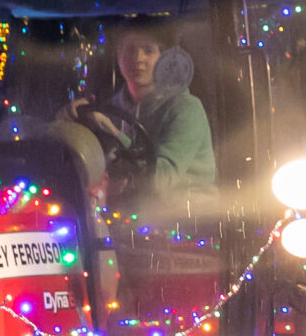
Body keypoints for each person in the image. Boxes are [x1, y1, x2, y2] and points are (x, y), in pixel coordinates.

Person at [60, 21, 215, 203]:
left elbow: (159, 181)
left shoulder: (185, 108)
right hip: (132, 214)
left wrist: (113, 132)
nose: (138, 58)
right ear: (119, 55)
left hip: (190, 214)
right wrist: (71, 127)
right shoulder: (110, 110)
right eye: (130, 50)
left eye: (148, 51)